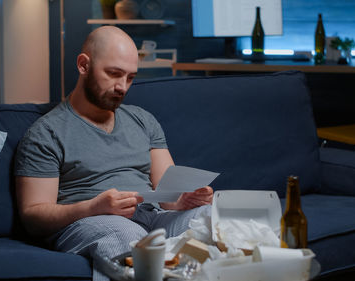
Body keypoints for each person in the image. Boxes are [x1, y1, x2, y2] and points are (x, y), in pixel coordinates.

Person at [14, 26, 213, 281]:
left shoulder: (143, 120)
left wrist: (186, 200)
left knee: (211, 218)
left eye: (130, 77)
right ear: (84, 65)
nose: (122, 87)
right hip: (90, 221)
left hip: (151, 217)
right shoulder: (46, 133)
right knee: (129, 239)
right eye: (113, 74)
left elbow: (168, 195)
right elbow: (33, 215)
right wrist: (93, 207)